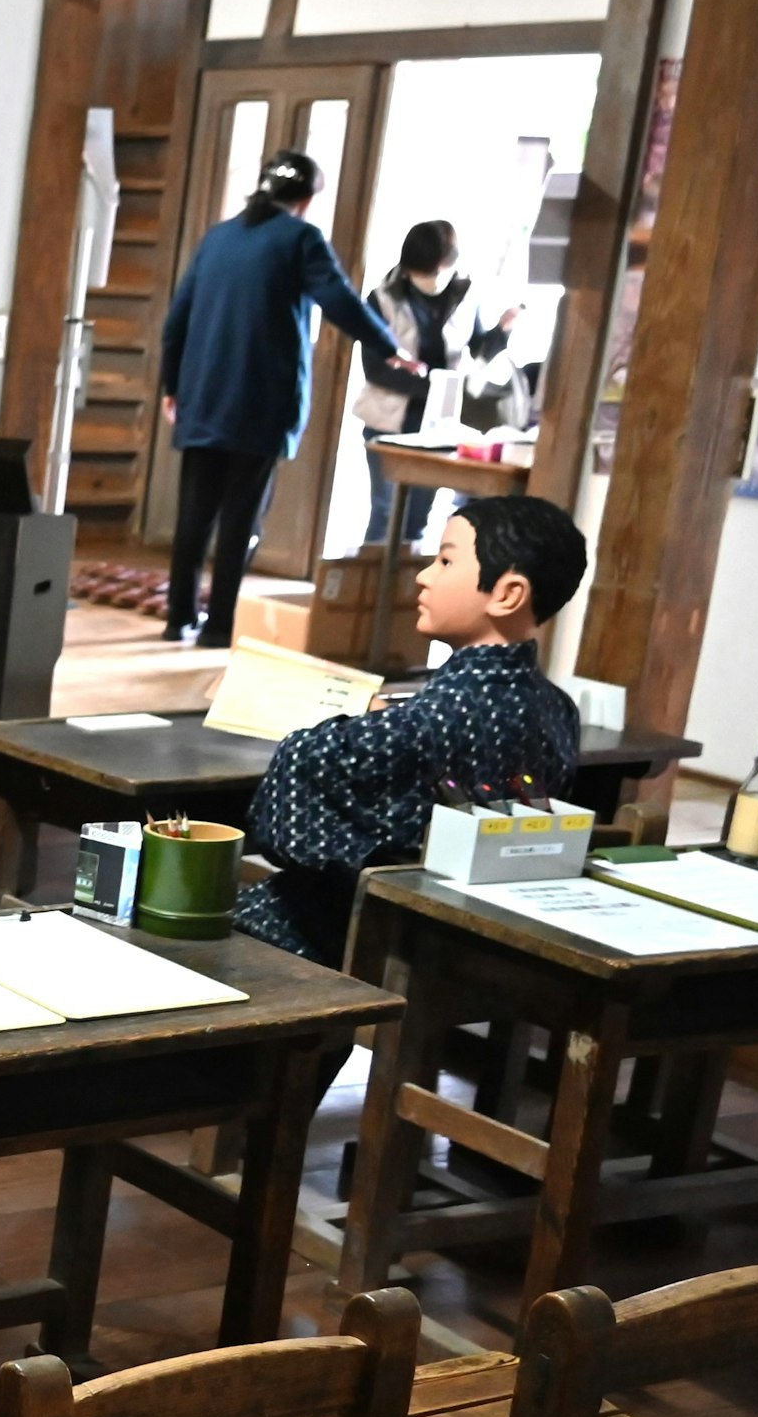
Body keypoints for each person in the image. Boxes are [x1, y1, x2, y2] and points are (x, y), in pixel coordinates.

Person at [236, 493, 589, 962]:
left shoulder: (428, 722)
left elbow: (305, 760)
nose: (424, 575)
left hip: (377, 936)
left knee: (222, 919)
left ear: (507, 595)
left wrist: (365, 725)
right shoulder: (558, 709)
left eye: (445, 561)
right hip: (483, 940)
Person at [156, 149, 421, 651]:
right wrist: (389, 347)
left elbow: (177, 322)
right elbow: (339, 299)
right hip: (261, 398)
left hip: (203, 394)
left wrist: (173, 387)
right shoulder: (300, 238)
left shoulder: (219, 238)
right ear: (306, 200)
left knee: (194, 511)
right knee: (240, 516)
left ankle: (178, 618)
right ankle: (218, 627)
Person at [352, 219, 525, 551]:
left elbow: (477, 352)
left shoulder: (466, 296)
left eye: (436, 269)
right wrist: (432, 385)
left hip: (438, 427)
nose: (430, 279)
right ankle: (367, 595)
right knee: (385, 515)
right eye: (422, 271)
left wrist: (502, 332)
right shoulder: (383, 298)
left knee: (417, 521)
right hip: (388, 421)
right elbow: (375, 369)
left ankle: (401, 593)